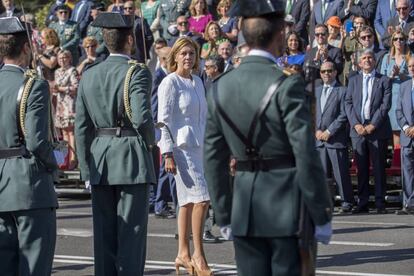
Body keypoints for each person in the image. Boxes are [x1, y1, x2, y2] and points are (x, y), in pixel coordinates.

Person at [203, 1, 333, 275]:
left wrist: (223, 213)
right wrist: (321, 213)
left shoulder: (219, 87)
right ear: (280, 36)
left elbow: (213, 158)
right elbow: (305, 152)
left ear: (242, 34)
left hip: (244, 207)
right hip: (286, 207)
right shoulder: (287, 84)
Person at [75, 12, 156, 276]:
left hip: (100, 159)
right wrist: (150, 144)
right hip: (131, 157)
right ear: (130, 40)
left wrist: (86, 169)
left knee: (104, 239)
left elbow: (81, 127)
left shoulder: (89, 74)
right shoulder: (137, 72)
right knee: (131, 238)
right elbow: (142, 117)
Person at [0, 16, 58, 276]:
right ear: (26, 48)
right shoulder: (33, 85)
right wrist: (53, 164)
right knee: (34, 267)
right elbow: (37, 141)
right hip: (29, 185)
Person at [157, 36, 212, 275]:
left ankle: (182, 253)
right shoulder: (170, 83)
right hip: (179, 149)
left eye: (192, 53)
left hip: (199, 148)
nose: (188, 57)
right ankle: (199, 255)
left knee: (188, 202)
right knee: (202, 199)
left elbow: (203, 118)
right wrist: (167, 152)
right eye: (184, 53)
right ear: (175, 57)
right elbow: (163, 121)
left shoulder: (198, 82)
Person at [345, 49, 392, 214]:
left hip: (377, 130)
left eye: (370, 57)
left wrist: (373, 125)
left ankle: (380, 203)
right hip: (357, 130)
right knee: (362, 169)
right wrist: (356, 124)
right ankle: (363, 202)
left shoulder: (384, 80)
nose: (367, 60)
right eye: (364, 58)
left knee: (379, 168)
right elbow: (348, 103)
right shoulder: (353, 80)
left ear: (374, 61)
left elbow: (385, 106)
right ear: (359, 62)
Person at [315, 61, 354, 213]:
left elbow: (344, 115)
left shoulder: (343, 91)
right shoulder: (316, 91)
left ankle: (346, 202)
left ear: (335, 72)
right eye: (323, 71)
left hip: (335, 139)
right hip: (318, 140)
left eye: (329, 70)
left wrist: (329, 131)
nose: (326, 73)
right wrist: (316, 131)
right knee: (322, 175)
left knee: (340, 174)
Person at [151, 46, 178, 218]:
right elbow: (155, 105)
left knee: (164, 168)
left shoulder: (167, 75)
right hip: (161, 128)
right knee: (163, 168)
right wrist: (157, 129)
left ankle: (161, 203)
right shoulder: (158, 77)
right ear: (163, 59)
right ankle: (160, 205)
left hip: (169, 128)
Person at [380, 30, 411, 146]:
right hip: (392, 97)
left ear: (405, 41)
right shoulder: (387, 58)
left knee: (407, 127)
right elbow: (381, 80)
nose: (398, 41)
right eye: (396, 39)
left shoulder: (411, 57)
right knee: (396, 131)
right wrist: (391, 76)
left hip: (407, 96)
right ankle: (398, 161)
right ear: (392, 41)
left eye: (401, 39)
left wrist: (401, 75)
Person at [54, 50, 79, 170]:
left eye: (64, 58)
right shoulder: (57, 71)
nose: (62, 60)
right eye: (60, 58)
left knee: (71, 132)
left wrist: (62, 89)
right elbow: (56, 87)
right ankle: (63, 160)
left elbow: (75, 88)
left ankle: (73, 159)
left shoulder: (72, 70)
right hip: (60, 104)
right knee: (63, 133)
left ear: (69, 58)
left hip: (70, 104)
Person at [395, 55, 414, 215]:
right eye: (410, 66)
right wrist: (407, 127)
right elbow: (398, 111)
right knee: (407, 172)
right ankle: (409, 204)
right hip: (407, 136)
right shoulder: (404, 86)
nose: (413, 68)